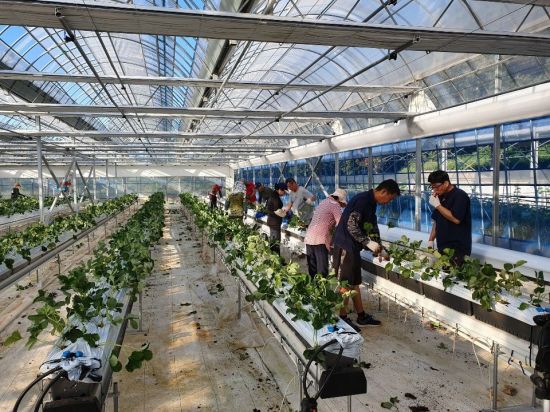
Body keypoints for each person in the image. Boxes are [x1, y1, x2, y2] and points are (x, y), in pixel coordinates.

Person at [333, 179, 401, 331]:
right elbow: (351, 225)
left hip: (353, 247)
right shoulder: (363, 200)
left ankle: (361, 316)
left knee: (354, 282)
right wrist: (368, 242)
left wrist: (380, 248)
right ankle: (342, 318)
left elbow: (372, 227)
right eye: (390, 198)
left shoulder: (371, 202)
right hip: (346, 245)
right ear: (383, 191)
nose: (389, 202)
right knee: (345, 284)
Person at [427, 170, 472, 266]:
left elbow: (456, 219)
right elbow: (437, 220)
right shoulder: (440, 197)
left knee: (455, 273)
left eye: (436, 186)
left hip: (457, 249)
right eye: (432, 187)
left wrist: (438, 206)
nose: (434, 190)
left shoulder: (460, 196)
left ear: (446, 183)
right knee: (443, 273)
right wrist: (430, 240)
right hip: (443, 246)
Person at [304, 188, 347, 279]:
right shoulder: (335, 205)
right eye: (342, 203)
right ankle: (321, 287)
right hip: (320, 239)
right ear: (339, 199)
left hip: (309, 237)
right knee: (322, 270)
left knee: (313, 268)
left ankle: (313, 286)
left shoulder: (324, 202)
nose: (342, 206)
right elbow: (341, 224)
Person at [266, 182, 288, 255]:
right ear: (280, 190)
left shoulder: (274, 195)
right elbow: (277, 211)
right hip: (274, 222)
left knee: (273, 240)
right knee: (276, 241)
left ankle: (273, 257)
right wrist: (284, 213)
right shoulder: (275, 197)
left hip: (272, 221)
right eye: (284, 191)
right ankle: (276, 258)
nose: (284, 193)